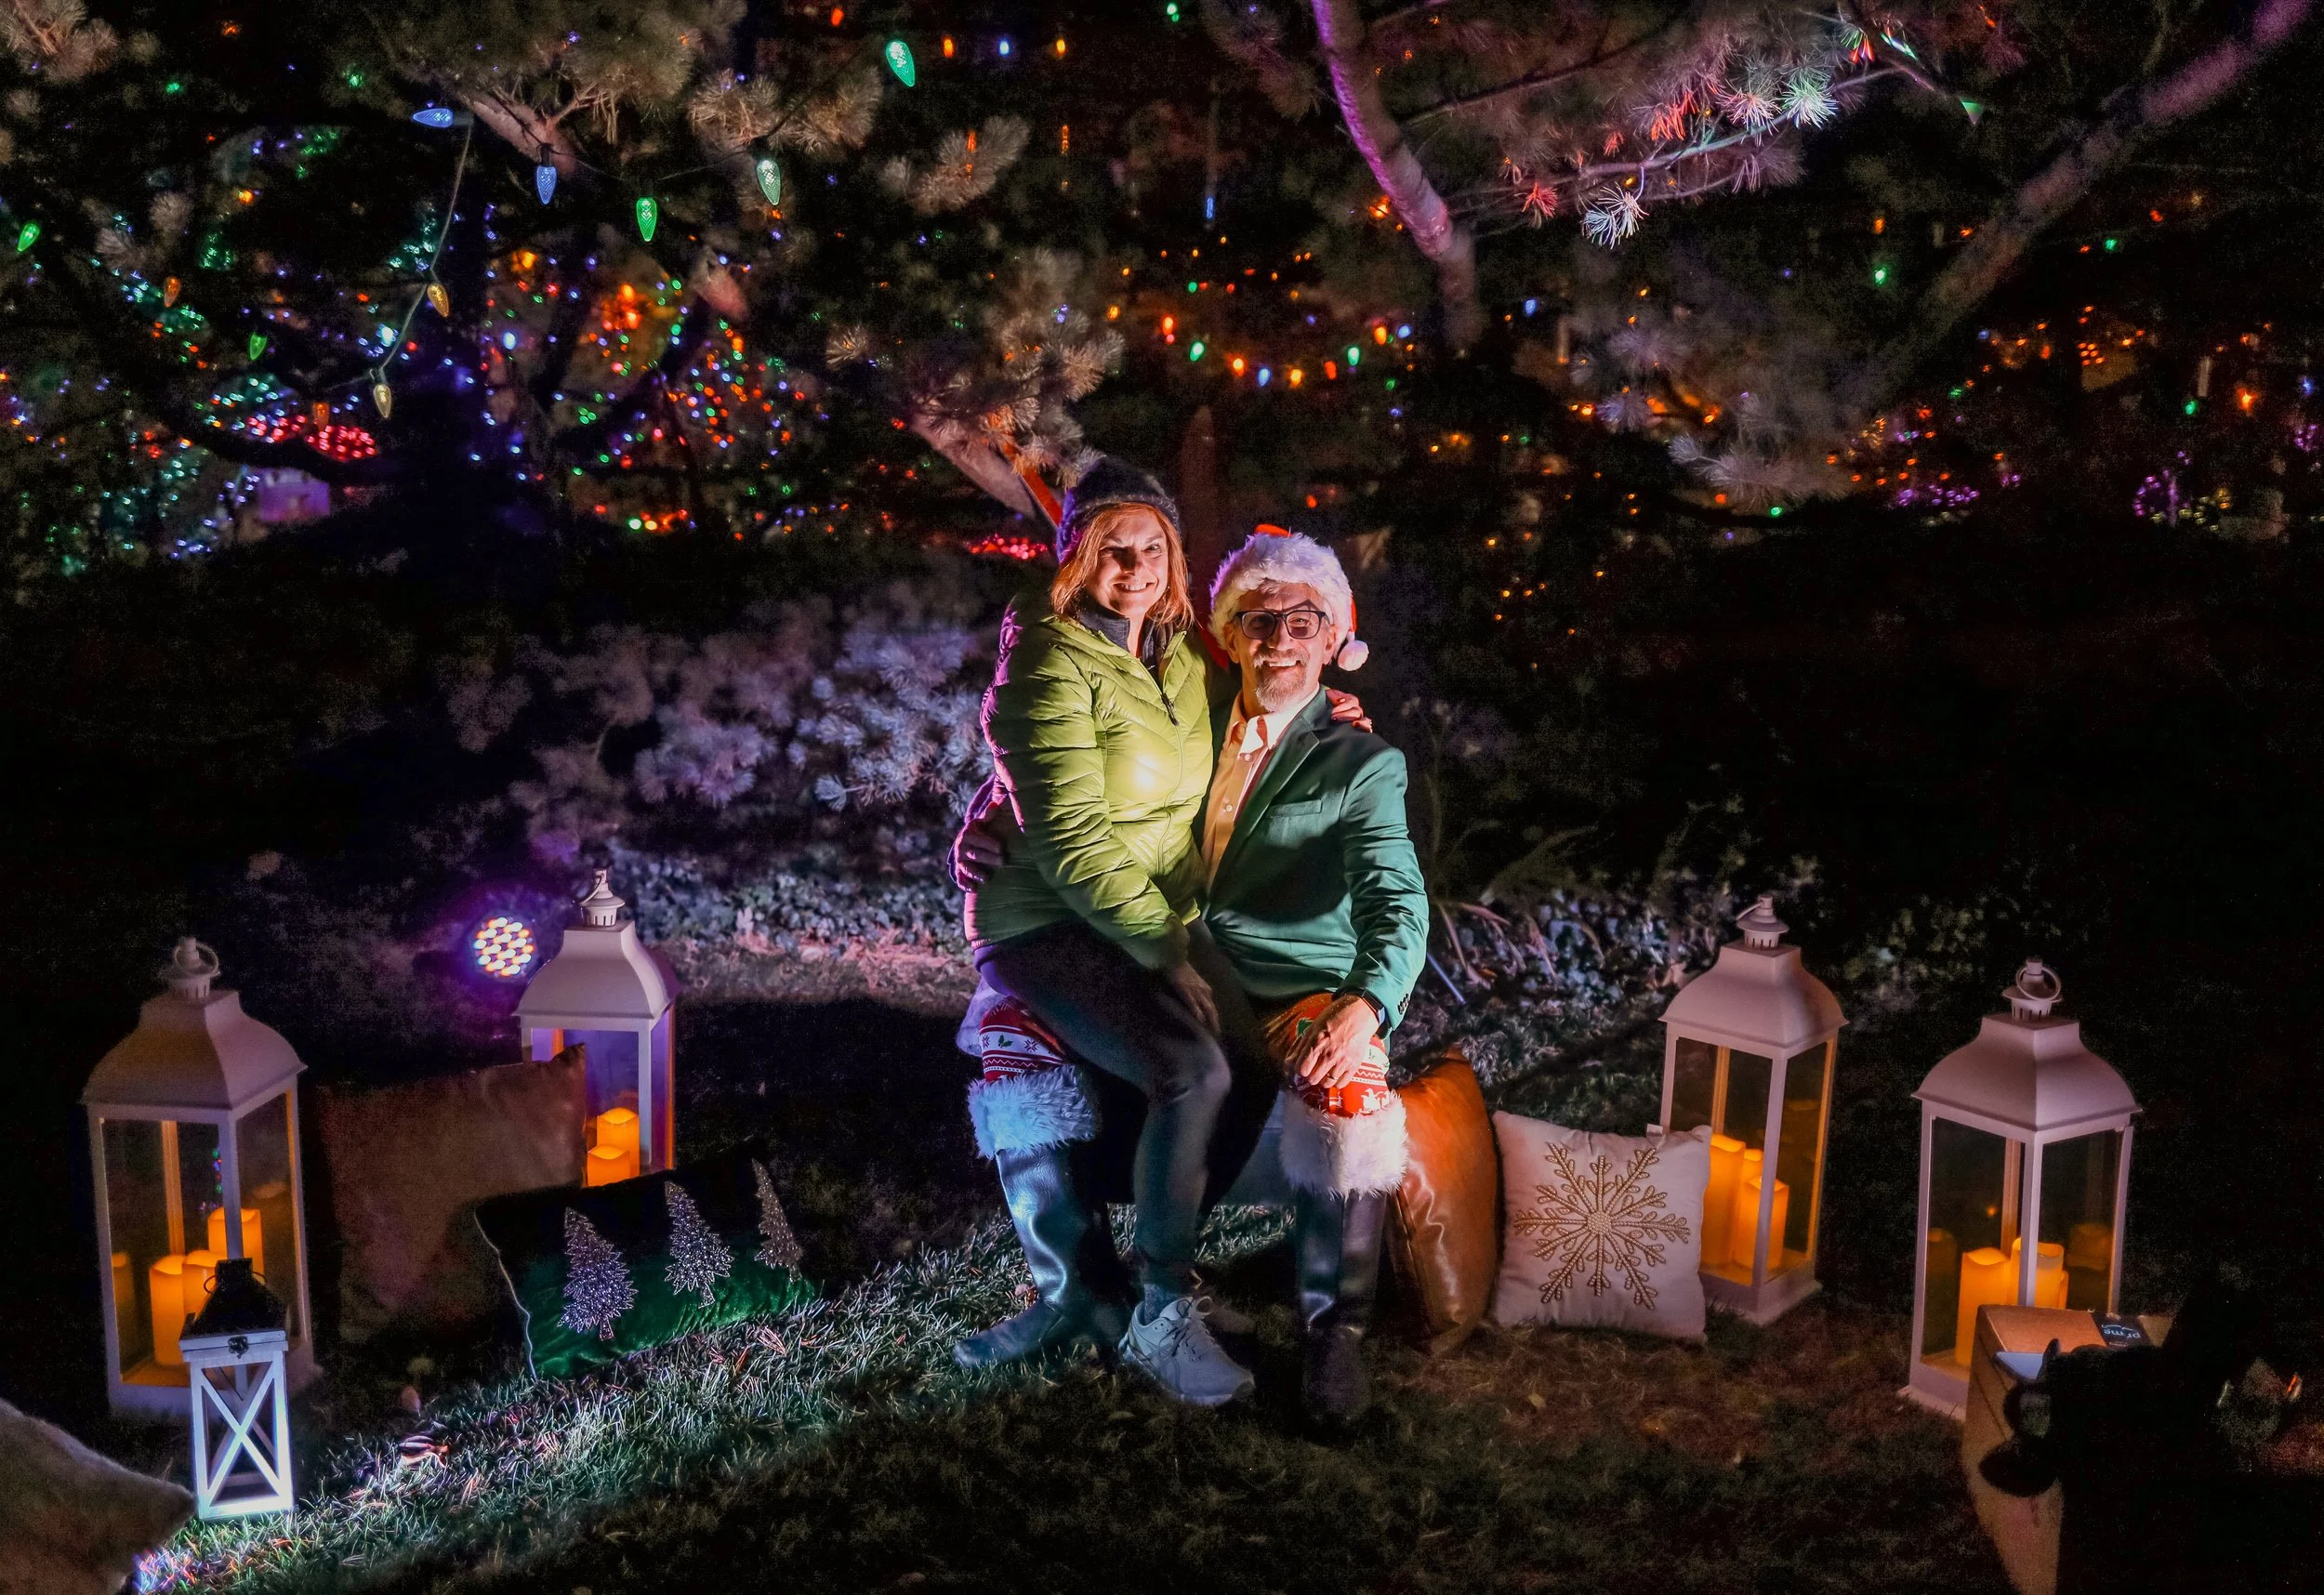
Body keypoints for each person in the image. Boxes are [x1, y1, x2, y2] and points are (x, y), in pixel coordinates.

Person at [957, 527, 1429, 1426]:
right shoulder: (1195, 711)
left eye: (1304, 619)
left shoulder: (1361, 761)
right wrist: (983, 819)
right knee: (1011, 1029)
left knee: (1353, 1080)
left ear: (1335, 638)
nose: (1279, 638)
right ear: (1228, 635)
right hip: (1160, 956)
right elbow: (1065, 768)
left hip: (1288, 989)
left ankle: (1336, 1331)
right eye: (1256, 619)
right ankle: (1077, 1290)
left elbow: (1398, 903)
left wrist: (1368, 1006)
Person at [957, 456, 1256, 1407]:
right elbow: (1073, 838)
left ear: (1175, 557)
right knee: (1190, 1066)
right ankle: (1159, 1313)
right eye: (1111, 548)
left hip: (1150, 905)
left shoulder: (1174, 651)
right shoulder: (1045, 659)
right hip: (1043, 915)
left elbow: (1258, 710)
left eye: (1153, 547)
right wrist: (1165, 953)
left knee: (1255, 1049)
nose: (1134, 565)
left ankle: (1133, 1270)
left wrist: (1332, 705)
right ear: (1074, 558)